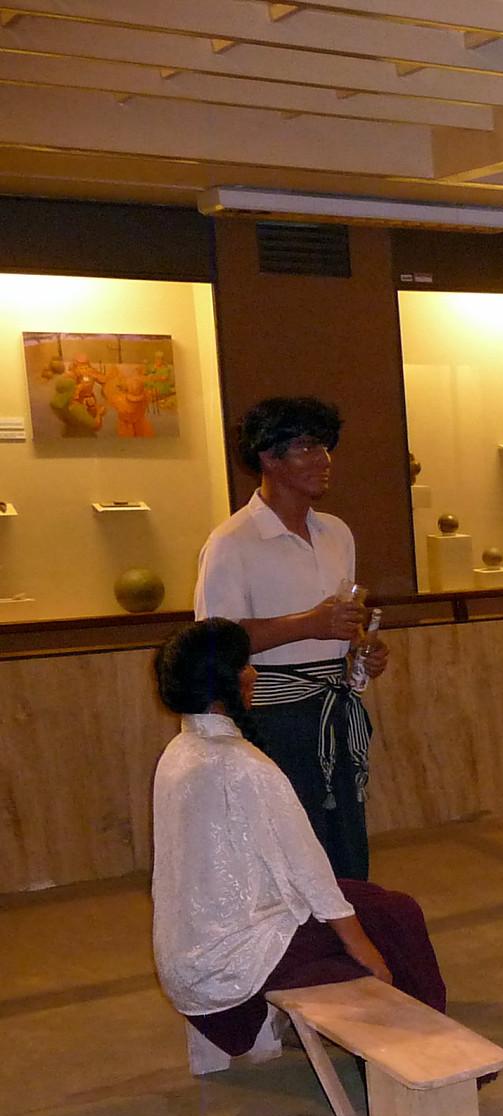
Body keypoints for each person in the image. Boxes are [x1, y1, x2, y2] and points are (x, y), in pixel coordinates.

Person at [150, 620, 444, 1062]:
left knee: (377, 902)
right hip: (232, 958)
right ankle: (429, 1060)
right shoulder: (245, 767)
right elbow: (309, 869)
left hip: (186, 953)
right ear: (228, 683)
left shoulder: (179, 751)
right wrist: (364, 951)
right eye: (243, 665)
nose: (252, 673)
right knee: (396, 917)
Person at [194, 396, 384, 881]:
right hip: (270, 714)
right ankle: (296, 950)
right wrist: (310, 624)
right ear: (269, 458)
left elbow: (343, 623)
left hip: (333, 705)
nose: (322, 460)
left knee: (343, 836)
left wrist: (362, 650)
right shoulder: (232, 542)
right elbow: (215, 640)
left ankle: (344, 941)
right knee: (286, 845)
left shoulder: (337, 533)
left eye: (325, 446)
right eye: (305, 447)